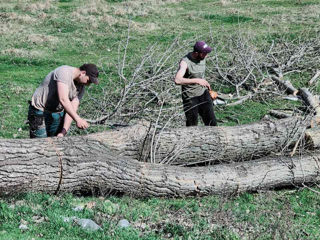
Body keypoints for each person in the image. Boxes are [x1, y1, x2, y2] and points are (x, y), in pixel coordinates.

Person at [28, 64, 99, 138]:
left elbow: (72, 109)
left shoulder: (81, 88)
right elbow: (63, 99)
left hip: (56, 113)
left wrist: (63, 132)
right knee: (40, 144)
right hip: (39, 111)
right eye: (89, 80)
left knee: (55, 142)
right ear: (83, 73)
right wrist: (78, 119)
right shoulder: (64, 72)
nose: (88, 84)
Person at [174, 41, 217, 126]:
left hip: (203, 93)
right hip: (190, 97)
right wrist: (197, 80)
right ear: (196, 53)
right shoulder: (185, 62)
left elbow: (199, 74)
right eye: (204, 53)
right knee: (192, 125)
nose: (206, 55)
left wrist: (205, 82)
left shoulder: (202, 58)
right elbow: (177, 80)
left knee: (212, 123)